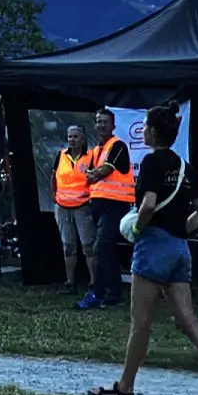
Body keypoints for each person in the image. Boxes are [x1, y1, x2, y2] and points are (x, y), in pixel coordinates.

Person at [89, 130, 198, 395]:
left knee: (140, 322)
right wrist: (177, 233)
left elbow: (148, 204)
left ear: (150, 131)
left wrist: (138, 228)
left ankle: (124, 388)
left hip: (153, 246)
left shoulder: (151, 163)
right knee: (188, 321)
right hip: (179, 248)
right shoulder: (185, 166)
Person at [78, 109, 135, 311]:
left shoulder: (117, 145)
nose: (101, 125)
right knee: (106, 250)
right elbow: (89, 175)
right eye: (98, 122)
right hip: (98, 206)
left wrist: (94, 175)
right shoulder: (96, 150)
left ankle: (100, 292)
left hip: (115, 205)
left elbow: (102, 171)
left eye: (105, 122)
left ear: (113, 126)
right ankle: (113, 294)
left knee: (101, 248)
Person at [50, 123, 94, 295]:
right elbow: (53, 176)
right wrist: (54, 196)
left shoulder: (91, 156)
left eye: (76, 136)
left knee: (88, 246)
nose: (72, 140)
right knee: (68, 246)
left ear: (83, 138)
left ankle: (93, 283)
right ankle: (70, 283)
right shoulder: (61, 155)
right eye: (70, 136)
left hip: (83, 206)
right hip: (62, 206)